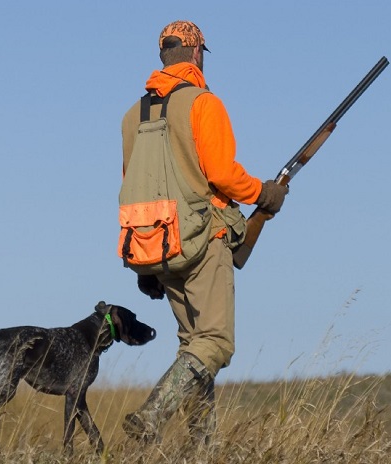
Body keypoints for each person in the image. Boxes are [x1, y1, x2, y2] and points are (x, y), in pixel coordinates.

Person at [118, 20, 288, 445]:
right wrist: (264, 194)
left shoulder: (132, 116)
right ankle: (152, 415)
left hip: (157, 247)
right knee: (215, 342)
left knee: (193, 344)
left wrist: (148, 267)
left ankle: (200, 447)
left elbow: (131, 185)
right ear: (197, 54)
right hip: (203, 240)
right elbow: (223, 175)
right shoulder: (203, 103)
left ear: (164, 56)